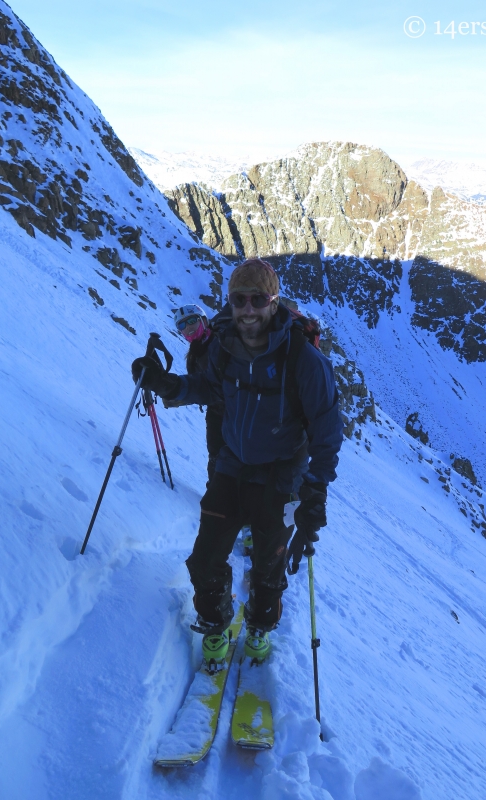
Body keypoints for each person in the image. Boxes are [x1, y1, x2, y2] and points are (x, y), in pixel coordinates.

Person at [132, 259, 343, 665]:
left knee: (269, 563)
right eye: (239, 300)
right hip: (232, 464)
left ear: (274, 301)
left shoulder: (303, 359)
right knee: (206, 557)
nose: (247, 310)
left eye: (257, 300)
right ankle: (216, 624)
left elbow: (327, 429)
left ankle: (260, 626)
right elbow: (207, 388)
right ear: (229, 301)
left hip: (281, 474)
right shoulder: (224, 346)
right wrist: (165, 384)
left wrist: (315, 489)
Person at [169, 304, 224, 483]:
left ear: (204, 320)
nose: (188, 328)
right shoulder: (195, 351)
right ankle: (215, 497)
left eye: (192, 321)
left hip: (235, 412)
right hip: (216, 412)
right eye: (182, 326)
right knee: (215, 455)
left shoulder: (221, 344)